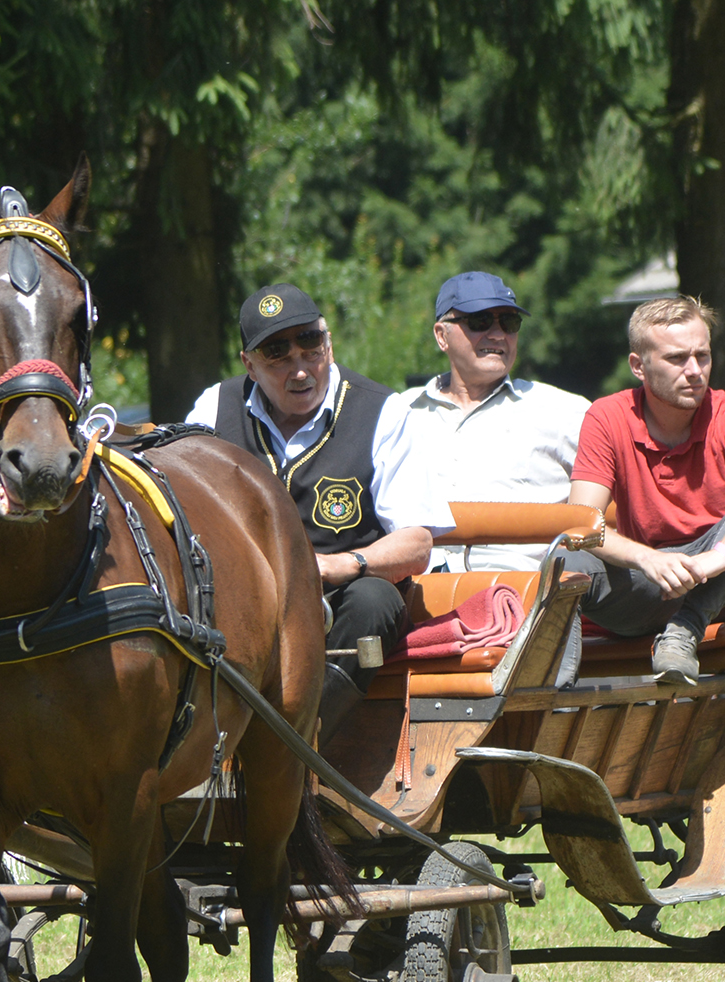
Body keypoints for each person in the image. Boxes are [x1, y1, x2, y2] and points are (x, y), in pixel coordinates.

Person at [186, 282, 446, 735]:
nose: (301, 369)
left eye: (310, 347)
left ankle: (296, 743)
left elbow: (418, 542)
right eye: (278, 355)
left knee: (375, 599)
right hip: (237, 596)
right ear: (249, 364)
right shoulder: (214, 409)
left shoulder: (384, 412)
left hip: (339, 597)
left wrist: (339, 565)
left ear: (329, 342)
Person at [563, 297, 725, 684]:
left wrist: (721, 556)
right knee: (569, 561)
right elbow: (581, 524)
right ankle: (553, 692)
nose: (695, 371)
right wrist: (649, 561)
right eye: (677, 359)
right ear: (638, 366)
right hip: (656, 582)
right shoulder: (607, 416)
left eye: (703, 356)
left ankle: (687, 628)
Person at [371, 270, 589, 572]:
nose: (498, 335)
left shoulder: (563, 412)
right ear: (441, 335)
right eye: (480, 321)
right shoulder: (398, 413)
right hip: (413, 591)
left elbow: (621, 497)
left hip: (521, 595)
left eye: (509, 323)